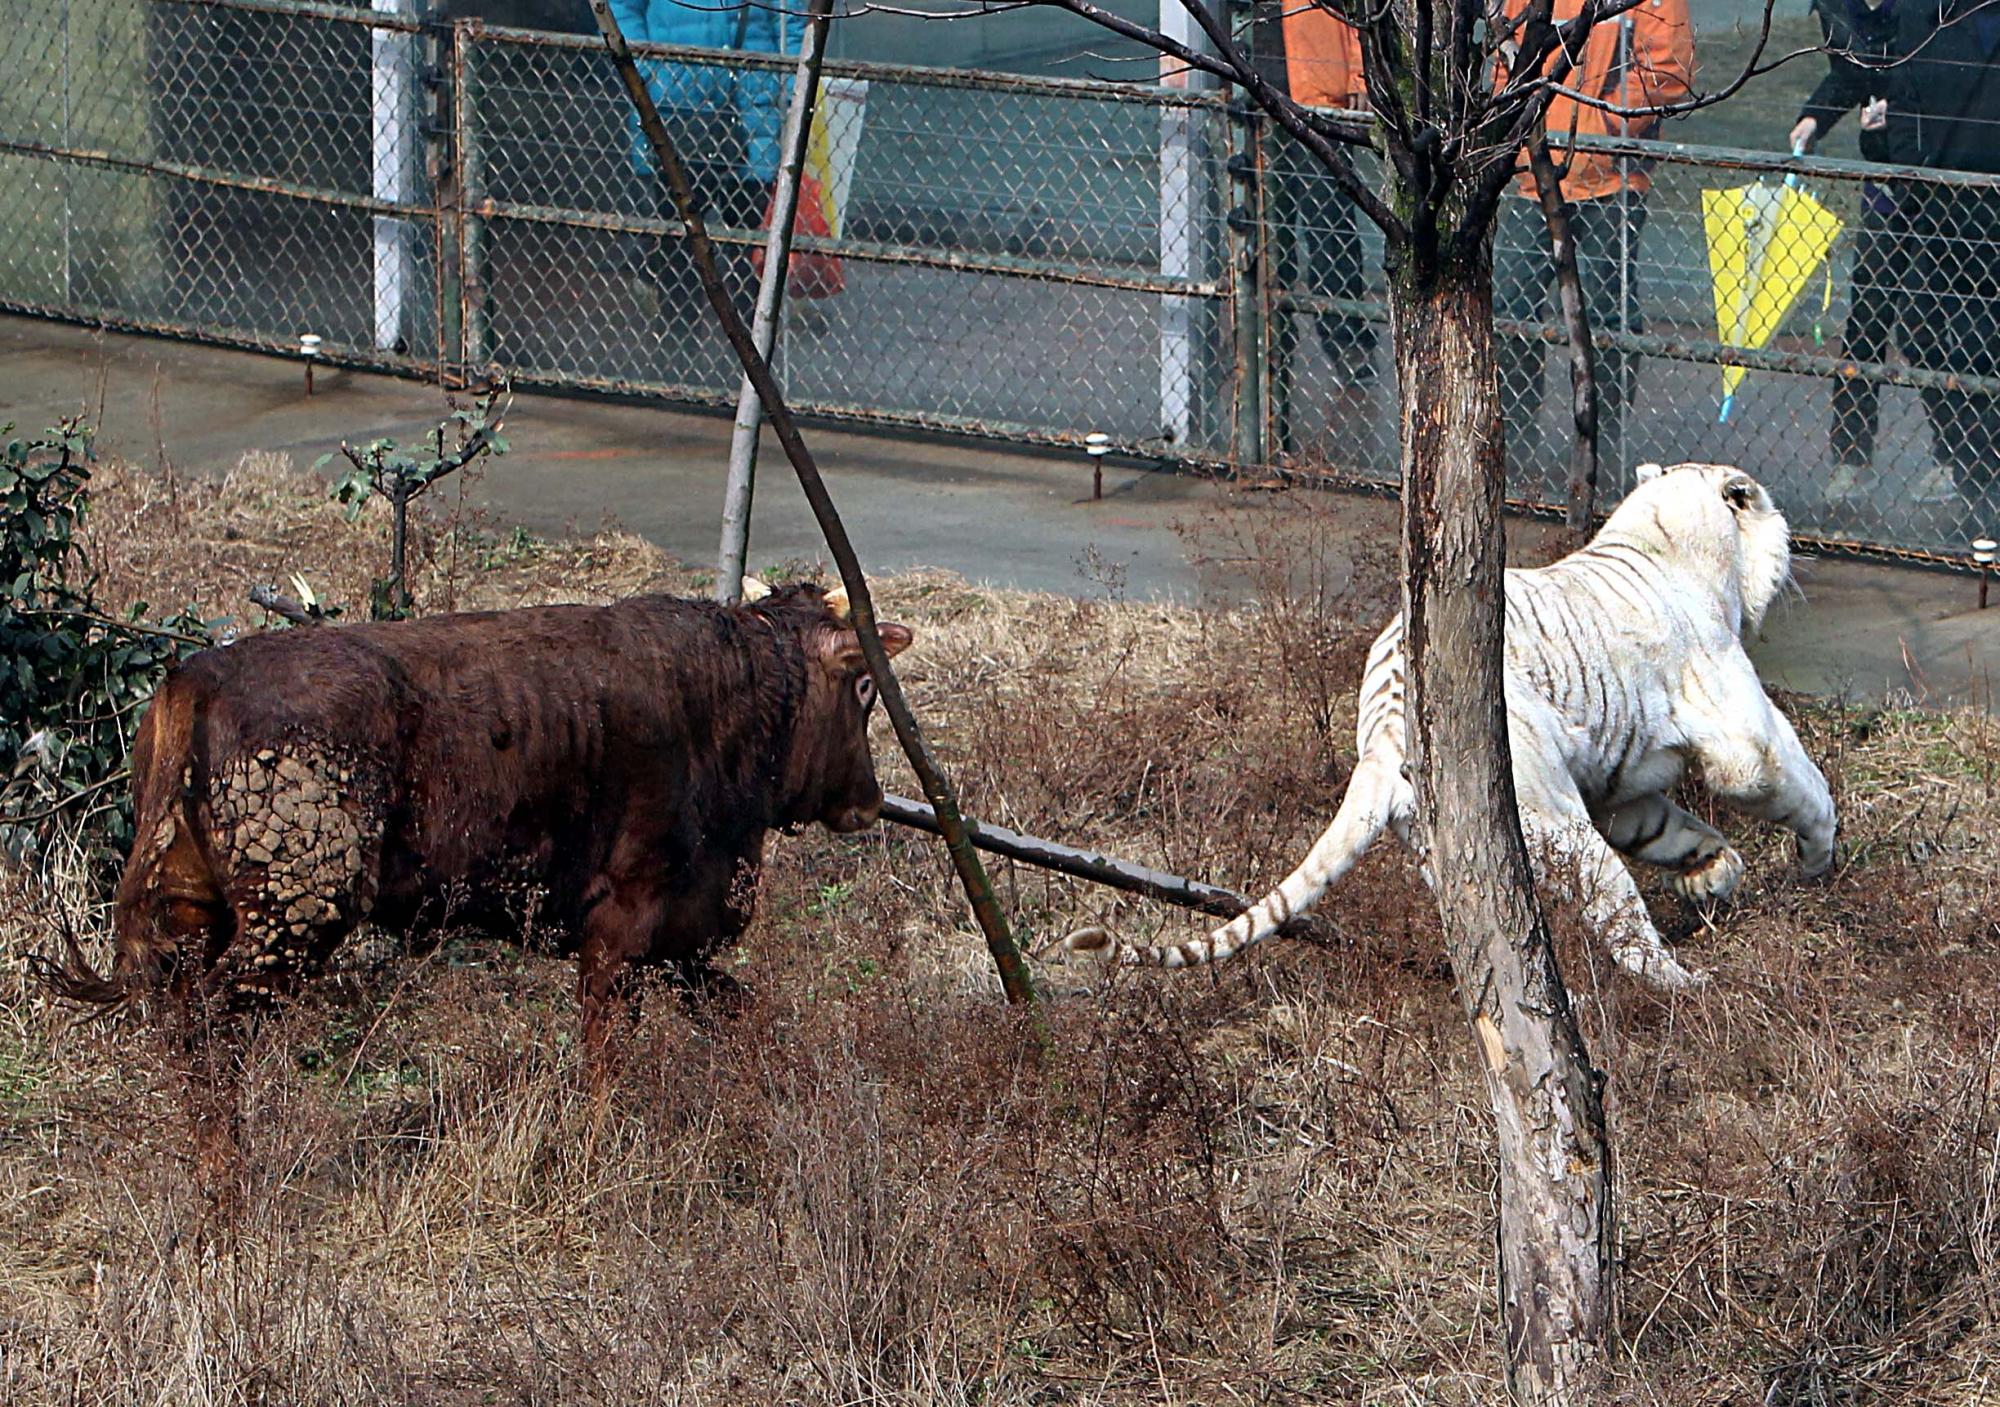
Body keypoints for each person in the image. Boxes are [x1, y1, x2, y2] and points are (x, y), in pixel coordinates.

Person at [1493, 0, 1696, 477]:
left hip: (1613, 182)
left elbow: (1669, 69)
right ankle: (1513, 452)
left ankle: (1599, 453)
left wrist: (1602, 126)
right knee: (1509, 310)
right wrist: (1516, 125)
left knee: (1607, 316)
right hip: (1532, 175)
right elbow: (1505, 52)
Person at [1790, 0, 1923, 507]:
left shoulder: (1929, 9)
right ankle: (1851, 459)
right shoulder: (1838, 7)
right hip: (1884, 181)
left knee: (1931, 325)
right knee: (1865, 321)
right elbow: (1850, 72)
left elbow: (1954, 80)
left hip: (1940, 175)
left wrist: (1903, 112)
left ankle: (1960, 459)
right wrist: (1814, 118)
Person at [605, 0, 788, 322]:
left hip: (751, 115)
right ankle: (679, 350)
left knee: (753, 250)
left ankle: (752, 353)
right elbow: (619, 8)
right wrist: (647, 73)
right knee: (679, 248)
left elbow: (794, 21)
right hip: (679, 114)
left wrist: (792, 88)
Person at [1892, 1, 2000, 536]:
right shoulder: (1922, 13)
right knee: (1921, 335)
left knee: (1981, 352)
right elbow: (1902, 100)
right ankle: (1976, 478)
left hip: (1989, 209)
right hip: (1940, 215)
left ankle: (1986, 501)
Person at [1257, 3, 1377, 404]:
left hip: (1317, 96)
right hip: (1258, 94)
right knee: (1269, 236)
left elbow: (1364, 9)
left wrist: (1362, 74)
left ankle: (1349, 344)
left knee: (1330, 229)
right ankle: (1270, 344)